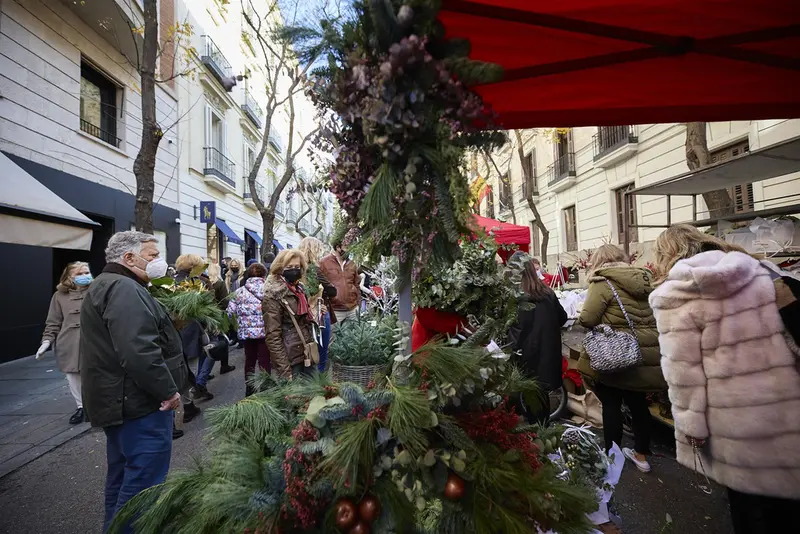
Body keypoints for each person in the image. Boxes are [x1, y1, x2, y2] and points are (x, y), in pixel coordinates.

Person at [650, 224, 800, 532]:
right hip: (789, 411)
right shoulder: (762, 271)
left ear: (668, 253)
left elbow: (683, 374)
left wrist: (692, 428)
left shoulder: (677, 292)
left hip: (735, 423)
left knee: (750, 511)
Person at [80, 231, 187, 533]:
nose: (158, 262)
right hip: (138, 405)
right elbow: (138, 350)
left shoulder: (108, 285)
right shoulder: (124, 288)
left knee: (122, 479)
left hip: (121, 402)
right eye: (152, 255)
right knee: (142, 487)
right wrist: (167, 390)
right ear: (129, 258)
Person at [577, 244, 665, 473]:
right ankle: (642, 455)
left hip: (614, 353)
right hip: (643, 352)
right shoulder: (645, 280)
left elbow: (587, 318)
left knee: (612, 405)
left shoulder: (602, 282)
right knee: (638, 405)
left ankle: (612, 456)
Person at [509, 258, 568, 425]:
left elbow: (516, 330)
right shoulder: (548, 293)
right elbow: (562, 318)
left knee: (532, 398)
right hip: (548, 352)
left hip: (527, 354)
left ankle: (537, 438)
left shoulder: (518, 298)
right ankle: (543, 434)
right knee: (541, 396)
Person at [37, 261, 93, 425]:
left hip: (93, 340)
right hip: (68, 342)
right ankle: (81, 407)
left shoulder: (97, 290)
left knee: (95, 373)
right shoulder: (59, 296)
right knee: (73, 376)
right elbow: (53, 321)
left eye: (86, 272)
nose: (85, 276)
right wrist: (46, 342)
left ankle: (96, 406)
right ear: (69, 277)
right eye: (79, 274)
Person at [263, 250, 315, 379]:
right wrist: (285, 371)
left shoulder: (299, 288)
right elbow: (273, 336)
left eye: (297, 267)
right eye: (289, 267)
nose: (294, 270)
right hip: (290, 358)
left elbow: (303, 320)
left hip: (305, 351)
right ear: (280, 268)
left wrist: (316, 313)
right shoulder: (273, 294)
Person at [174, 254, 215, 402]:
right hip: (191, 331)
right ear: (193, 267)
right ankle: (188, 402)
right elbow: (207, 307)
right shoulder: (196, 284)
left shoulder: (171, 282)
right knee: (191, 368)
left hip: (175, 332)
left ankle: (186, 402)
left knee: (179, 368)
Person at [227, 262, 271, 396]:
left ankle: (249, 389)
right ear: (264, 274)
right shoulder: (268, 289)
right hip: (265, 332)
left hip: (246, 333)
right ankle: (266, 389)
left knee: (249, 360)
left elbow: (229, 312)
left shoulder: (239, 292)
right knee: (264, 361)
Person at [298, 237, 336, 371]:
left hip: (298, 315)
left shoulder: (296, 268)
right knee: (321, 352)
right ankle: (319, 381)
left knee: (304, 352)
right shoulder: (315, 269)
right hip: (317, 312)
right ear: (315, 250)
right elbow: (332, 290)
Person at [319, 238, 360, 323]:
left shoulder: (352, 264)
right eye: (347, 246)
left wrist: (358, 303)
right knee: (334, 336)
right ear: (338, 247)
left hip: (353, 309)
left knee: (355, 335)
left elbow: (356, 284)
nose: (350, 249)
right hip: (334, 310)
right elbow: (319, 285)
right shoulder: (324, 262)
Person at [206, 263, 235, 375]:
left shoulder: (204, 282)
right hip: (218, 315)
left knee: (209, 342)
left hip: (207, 315)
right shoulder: (219, 283)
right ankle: (224, 365)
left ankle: (204, 372)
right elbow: (225, 301)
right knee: (223, 340)